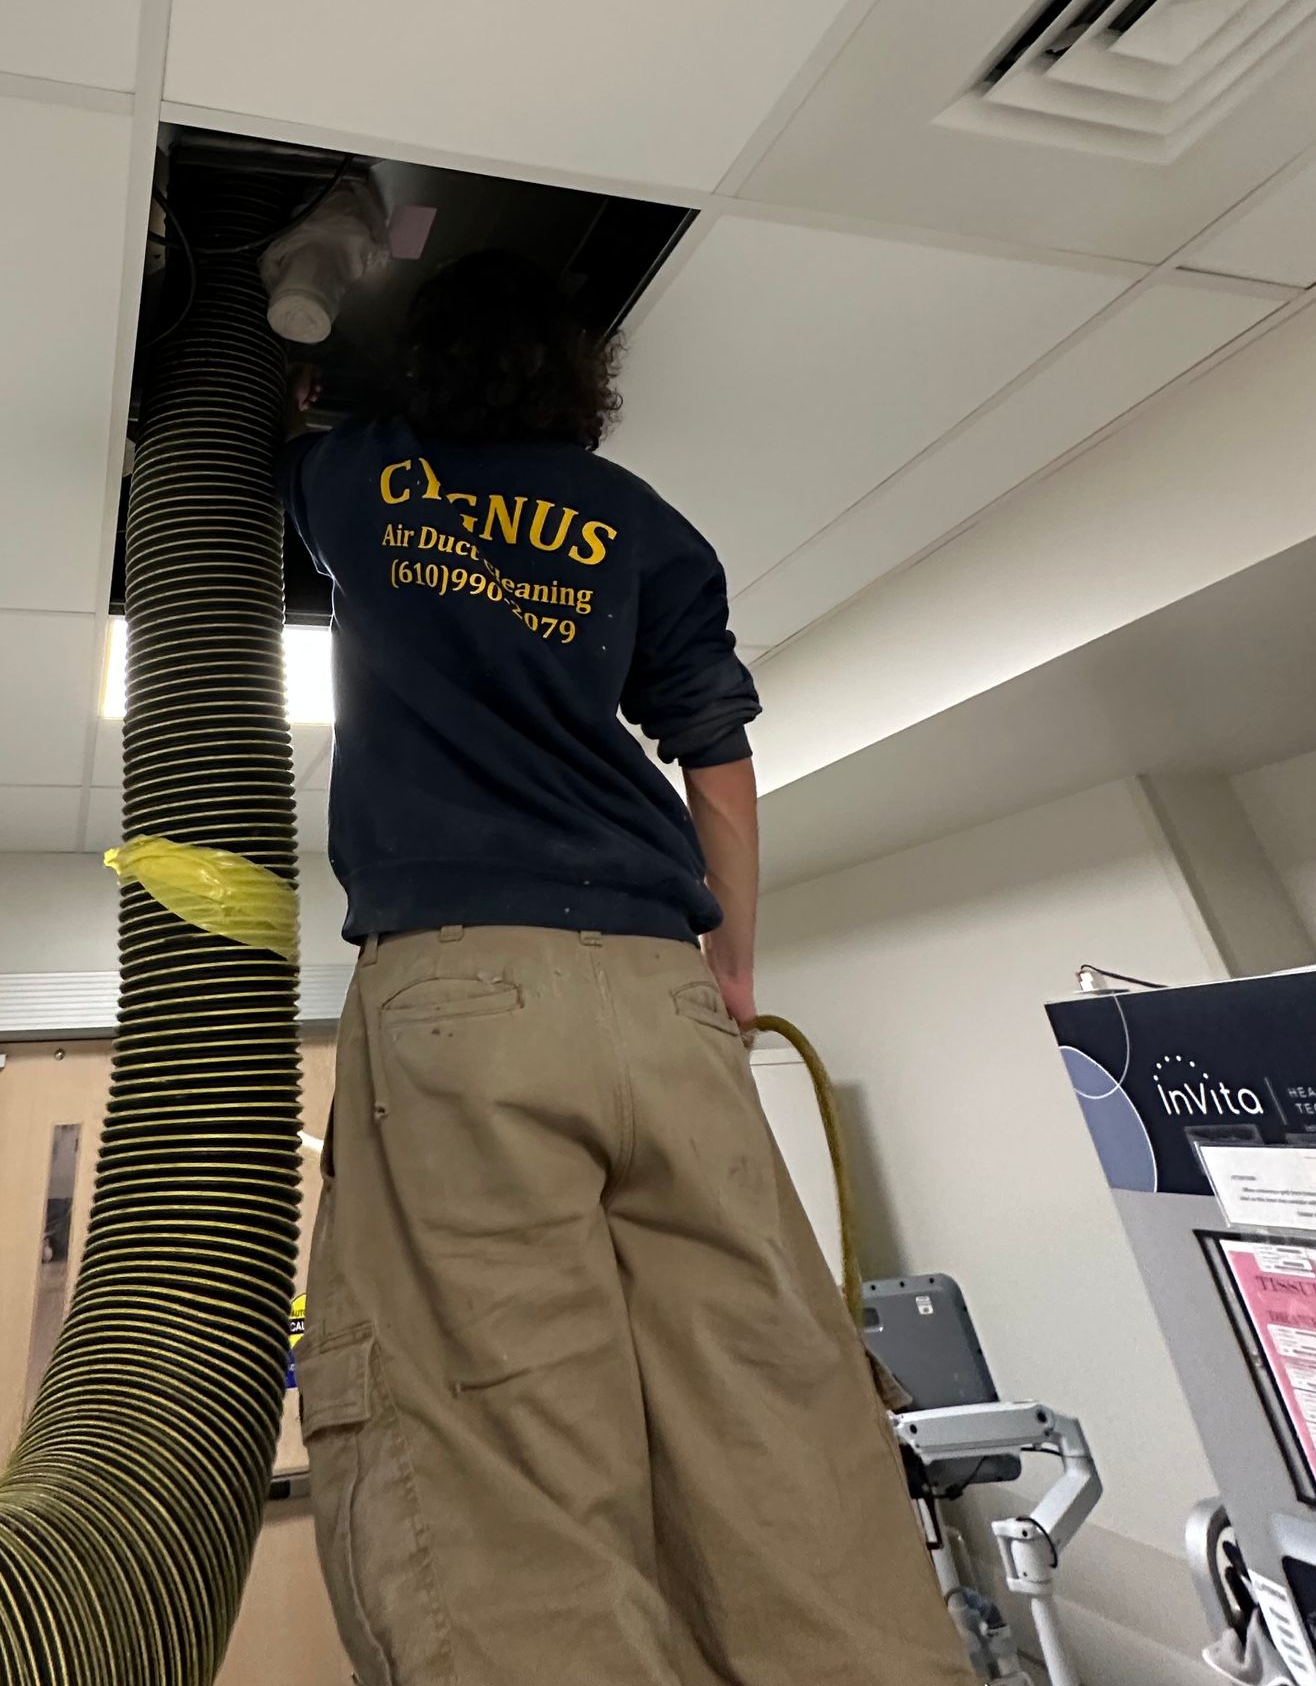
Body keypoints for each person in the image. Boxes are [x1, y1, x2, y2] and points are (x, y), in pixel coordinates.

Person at [280, 249, 967, 1686]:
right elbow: (715, 756)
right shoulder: (641, 524)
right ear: (585, 385)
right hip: (660, 991)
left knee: (499, 1440)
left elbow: (273, 440)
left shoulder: (364, 481)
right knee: (771, 1409)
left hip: (461, 995)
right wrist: (733, 973)